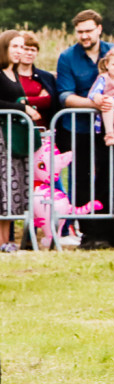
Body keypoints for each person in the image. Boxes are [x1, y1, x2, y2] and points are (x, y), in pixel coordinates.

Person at [56, 9, 114, 249]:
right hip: (79, 127)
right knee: (82, 179)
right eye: (80, 32)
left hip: (111, 127)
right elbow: (65, 95)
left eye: (89, 31)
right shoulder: (68, 57)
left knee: (112, 177)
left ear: (99, 29)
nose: (85, 36)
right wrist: (93, 103)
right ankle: (90, 233)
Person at [0, 31, 38, 252]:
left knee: (11, 190)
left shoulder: (13, 73)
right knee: (3, 188)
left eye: (22, 47)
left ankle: (7, 241)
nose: (19, 51)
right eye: (15, 46)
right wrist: (22, 108)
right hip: (2, 139)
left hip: (14, 139)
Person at [17, 31, 58, 129]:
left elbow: (50, 101)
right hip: (15, 129)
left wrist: (25, 100)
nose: (29, 53)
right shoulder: (8, 75)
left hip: (42, 130)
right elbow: (10, 101)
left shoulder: (46, 77)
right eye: (26, 49)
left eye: (33, 50)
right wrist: (36, 100)